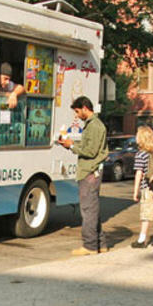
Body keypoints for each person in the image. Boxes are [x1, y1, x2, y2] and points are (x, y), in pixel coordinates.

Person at [57, 96, 109, 255]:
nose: (77, 116)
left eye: (78, 111)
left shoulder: (94, 126)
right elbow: (88, 147)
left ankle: (90, 246)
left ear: (85, 108)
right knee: (93, 209)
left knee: (88, 210)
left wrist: (71, 145)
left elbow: (90, 151)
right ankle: (101, 243)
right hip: (91, 171)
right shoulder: (94, 125)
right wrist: (70, 145)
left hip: (89, 172)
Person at [130, 126, 153, 248]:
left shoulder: (141, 154)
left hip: (147, 187)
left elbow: (139, 173)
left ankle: (142, 239)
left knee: (146, 214)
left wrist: (135, 191)